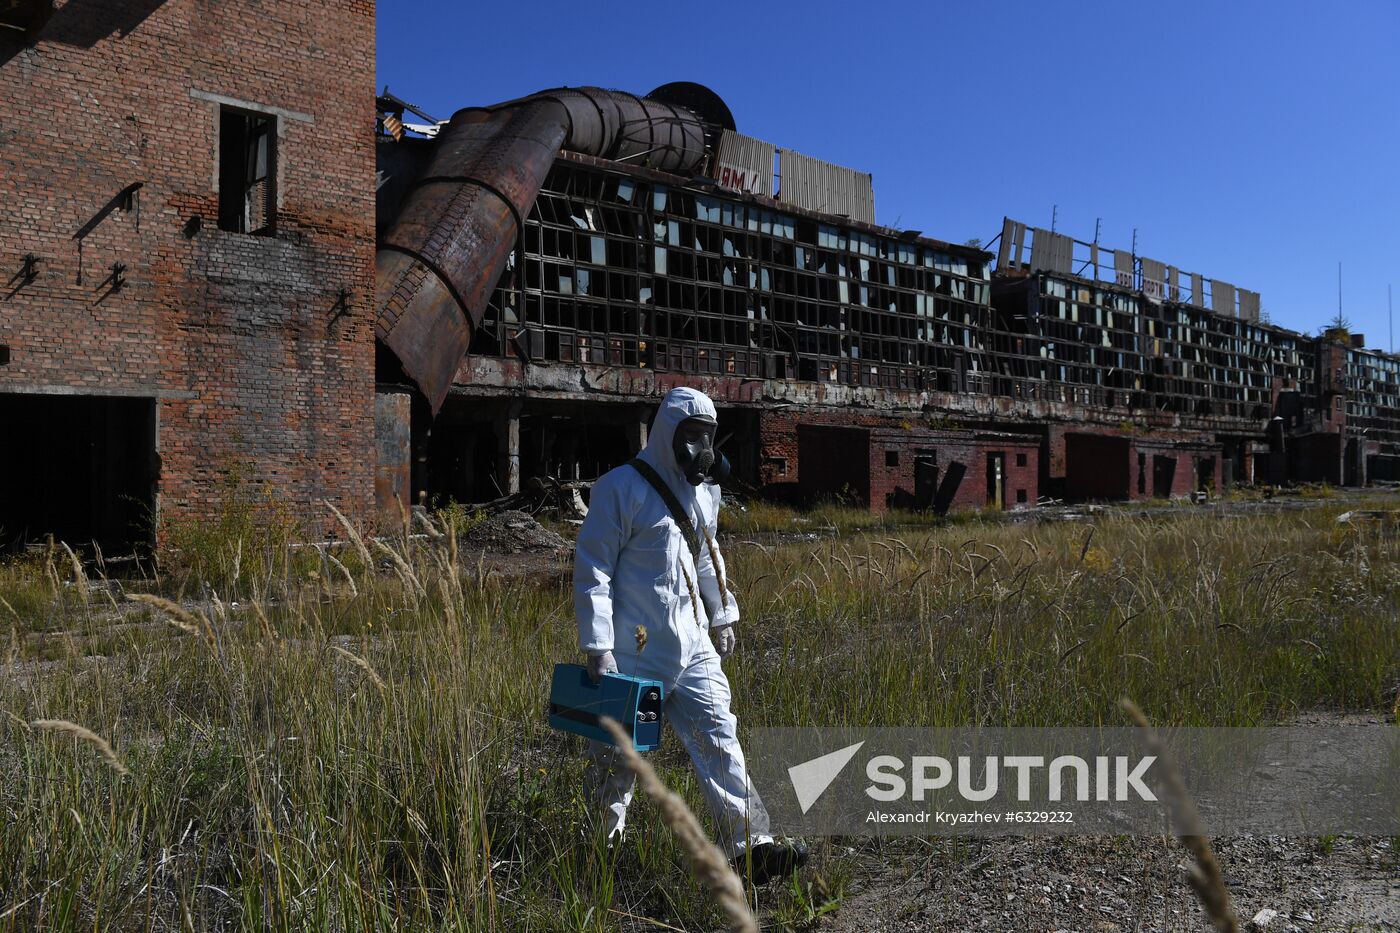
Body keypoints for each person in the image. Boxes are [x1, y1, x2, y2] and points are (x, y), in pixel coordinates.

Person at [573, 386, 806, 884]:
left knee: (721, 738)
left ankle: (751, 845)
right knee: (621, 759)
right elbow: (594, 567)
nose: (702, 447)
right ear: (667, 434)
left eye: (709, 436)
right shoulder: (620, 488)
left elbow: (706, 555)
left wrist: (722, 615)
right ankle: (599, 857)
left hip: (693, 644)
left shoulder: (704, 492)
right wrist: (598, 646)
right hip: (636, 651)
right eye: (692, 435)